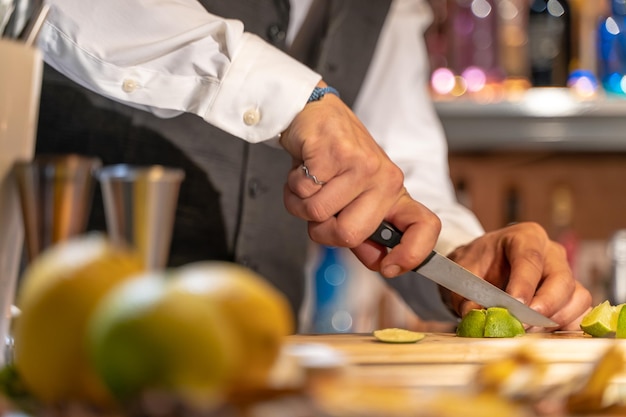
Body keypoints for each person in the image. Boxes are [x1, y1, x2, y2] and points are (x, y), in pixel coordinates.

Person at [34, 0, 591, 331]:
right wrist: (291, 101)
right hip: (64, 363)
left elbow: (402, 170)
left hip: (266, 375)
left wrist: (463, 262)